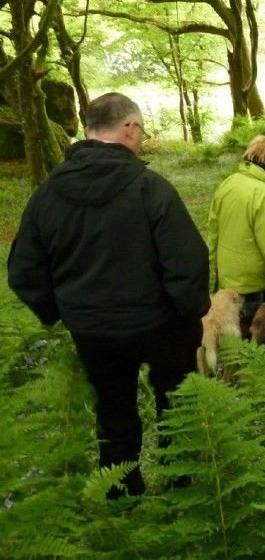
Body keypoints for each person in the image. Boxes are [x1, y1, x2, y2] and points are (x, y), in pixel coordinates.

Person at [7, 93, 210, 499]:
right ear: (129, 128)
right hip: (158, 324)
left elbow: (24, 270)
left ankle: (122, 494)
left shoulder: (47, 194)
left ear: (87, 131)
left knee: (114, 413)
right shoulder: (150, 188)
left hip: (92, 330)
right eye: (141, 129)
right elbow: (187, 261)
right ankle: (181, 488)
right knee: (177, 404)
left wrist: (64, 313)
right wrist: (189, 316)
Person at [207, 134, 265, 332]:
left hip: (226, 279)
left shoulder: (228, 184)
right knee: (254, 343)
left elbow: (213, 228)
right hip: (254, 283)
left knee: (231, 342)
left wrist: (215, 262)